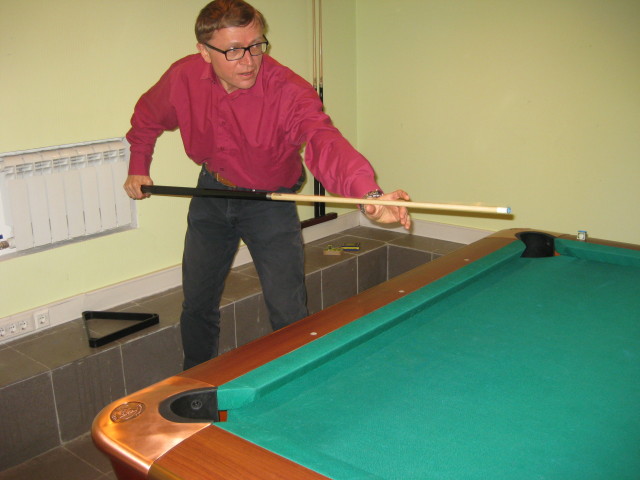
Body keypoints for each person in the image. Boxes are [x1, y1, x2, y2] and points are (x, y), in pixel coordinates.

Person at [124, 0, 411, 370]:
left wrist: (368, 193)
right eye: (233, 50)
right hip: (211, 191)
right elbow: (147, 115)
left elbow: (323, 140)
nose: (249, 61)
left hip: (269, 202)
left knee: (288, 309)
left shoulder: (288, 90)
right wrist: (138, 165)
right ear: (204, 52)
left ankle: (298, 383)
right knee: (197, 303)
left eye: (256, 45)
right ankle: (195, 382)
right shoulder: (184, 77)